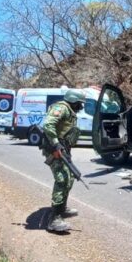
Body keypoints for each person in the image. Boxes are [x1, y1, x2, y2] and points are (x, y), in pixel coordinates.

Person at [41, 89, 85, 233]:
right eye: (80, 104)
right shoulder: (61, 108)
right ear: (73, 100)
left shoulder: (70, 111)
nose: (81, 107)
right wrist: (55, 143)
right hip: (55, 149)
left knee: (70, 178)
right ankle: (54, 218)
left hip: (63, 149)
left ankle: (61, 207)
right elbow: (48, 125)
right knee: (62, 179)